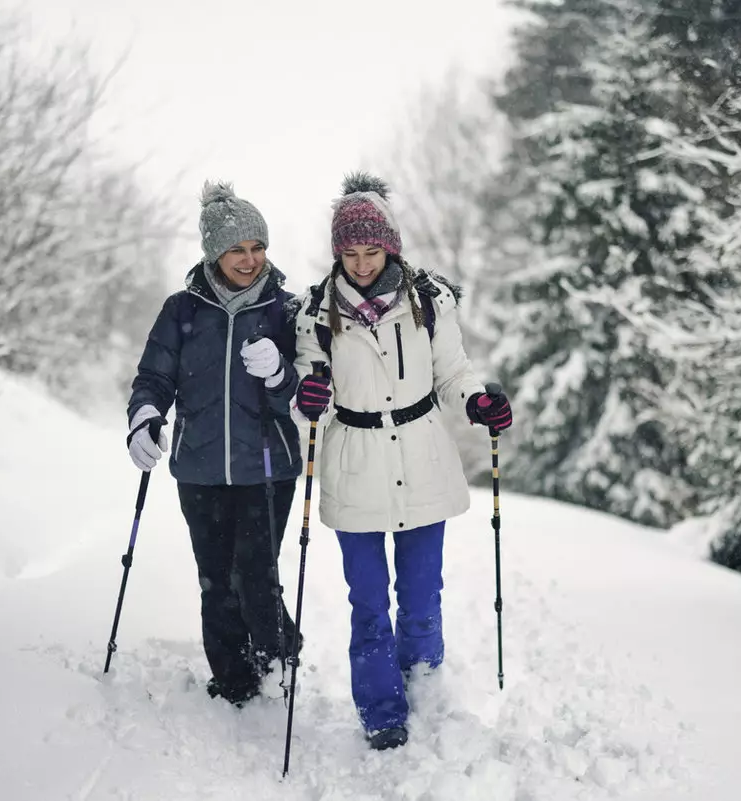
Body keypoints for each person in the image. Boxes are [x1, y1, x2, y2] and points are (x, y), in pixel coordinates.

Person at [290, 173, 513, 750]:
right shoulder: (316, 309)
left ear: (390, 246)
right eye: (350, 252)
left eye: (372, 250)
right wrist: (308, 395)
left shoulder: (430, 300)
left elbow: (453, 373)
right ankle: (382, 709)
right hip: (355, 460)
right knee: (368, 602)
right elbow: (305, 382)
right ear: (337, 251)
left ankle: (424, 687)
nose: (361, 264)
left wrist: (479, 402)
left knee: (420, 595)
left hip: (420, 453)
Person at [126, 181, 303, 706]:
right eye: (236, 250)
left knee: (255, 573)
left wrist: (280, 373)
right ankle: (233, 678)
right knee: (215, 580)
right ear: (213, 253)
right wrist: (144, 415)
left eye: (257, 248)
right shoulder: (182, 310)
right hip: (199, 467)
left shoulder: (286, 310)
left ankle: (275, 658)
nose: (250, 260)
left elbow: (314, 392)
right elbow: (153, 377)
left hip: (267, 467)